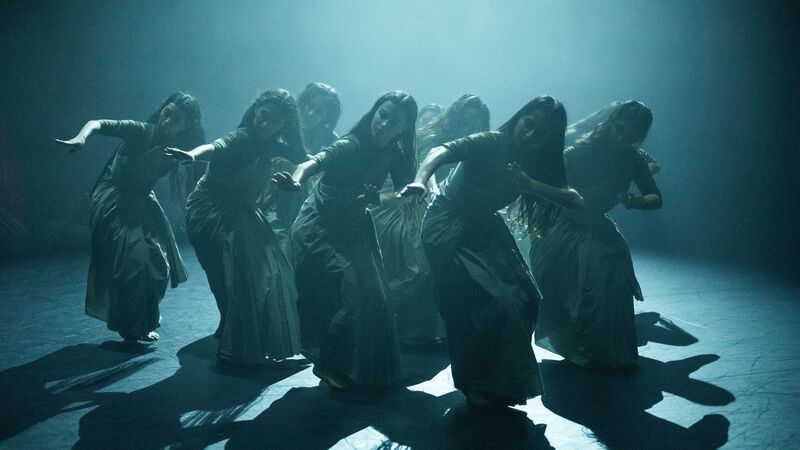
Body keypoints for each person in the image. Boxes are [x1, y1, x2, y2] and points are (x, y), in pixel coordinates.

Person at [399, 96, 584, 408]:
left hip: (483, 226)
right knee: (488, 300)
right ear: (519, 118)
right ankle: (476, 381)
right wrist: (420, 180)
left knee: (524, 298)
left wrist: (529, 184)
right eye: (529, 124)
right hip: (449, 222)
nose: (529, 135)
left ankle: (501, 380)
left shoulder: (537, 162)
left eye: (540, 134)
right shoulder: (492, 141)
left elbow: (575, 199)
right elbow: (439, 151)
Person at [272, 90, 417, 390]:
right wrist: (297, 179)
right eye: (382, 114)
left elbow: (403, 194)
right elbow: (314, 163)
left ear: (404, 128)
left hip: (355, 228)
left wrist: (378, 196)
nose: (384, 124)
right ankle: (329, 364)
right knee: (347, 291)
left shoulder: (396, 154)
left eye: (394, 121)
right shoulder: (351, 145)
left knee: (374, 296)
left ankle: (354, 365)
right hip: (319, 227)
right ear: (373, 112)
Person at [166, 89, 302, 365]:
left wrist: (298, 177)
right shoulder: (243, 136)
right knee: (225, 275)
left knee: (262, 274)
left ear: (282, 126)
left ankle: (240, 329)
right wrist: (193, 155)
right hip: (211, 212)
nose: (265, 123)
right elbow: (218, 146)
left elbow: (308, 158)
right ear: (255, 110)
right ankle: (235, 334)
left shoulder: (275, 143)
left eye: (274, 121)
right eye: (263, 114)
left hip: (242, 213)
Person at [55, 92, 204, 342]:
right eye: (167, 113)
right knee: (132, 263)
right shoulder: (140, 131)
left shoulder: (180, 149)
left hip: (141, 201)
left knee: (158, 264)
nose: (167, 120)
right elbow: (98, 123)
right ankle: (130, 327)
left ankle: (142, 318)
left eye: (176, 119)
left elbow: (212, 153)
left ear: (187, 126)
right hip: (114, 198)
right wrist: (81, 137)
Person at [529, 100, 662, 369]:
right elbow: (553, 190)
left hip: (596, 224)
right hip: (563, 225)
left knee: (611, 278)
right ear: (611, 124)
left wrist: (634, 201)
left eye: (631, 136)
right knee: (579, 284)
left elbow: (655, 197)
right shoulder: (580, 152)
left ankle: (604, 350)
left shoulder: (633, 157)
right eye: (620, 130)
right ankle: (579, 346)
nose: (622, 138)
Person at [371, 94, 490, 347]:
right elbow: (429, 174)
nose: (469, 129)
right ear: (454, 118)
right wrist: (435, 200)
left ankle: (422, 327)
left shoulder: (473, 146)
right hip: (405, 198)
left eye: (475, 125)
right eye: (465, 122)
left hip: (438, 203)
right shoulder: (433, 137)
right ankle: (385, 317)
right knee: (421, 255)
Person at [257, 83, 341, 255]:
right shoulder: (280, 125)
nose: (309, 113)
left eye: (318, 111)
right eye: (307, 106)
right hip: (268, 192)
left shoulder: (330, 139)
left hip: (306, 200)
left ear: (326, 117)